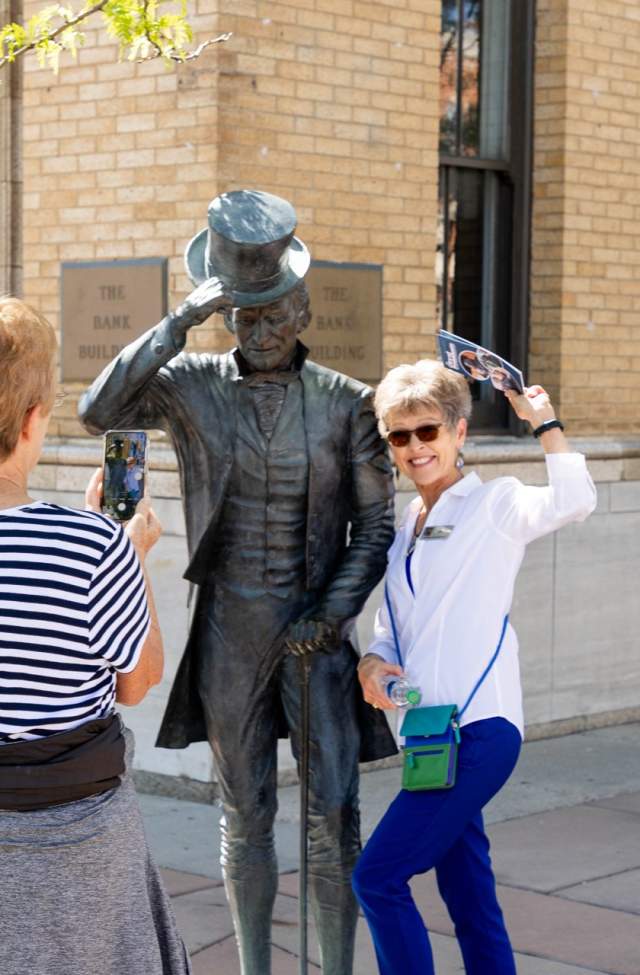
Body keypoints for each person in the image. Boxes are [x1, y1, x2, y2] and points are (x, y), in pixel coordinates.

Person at [78, 189, 397, 975]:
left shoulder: (347, 404)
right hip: (228, 626)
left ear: (304, 309)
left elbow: (376, 527)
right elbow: (98, 409)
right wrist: (178, 321)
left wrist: (329, 615)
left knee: (332, 815)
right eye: (241, 316)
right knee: (244, 812)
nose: (256, 331)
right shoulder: (191, 383)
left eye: (272, 314)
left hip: (314, 632)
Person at [352, 358, 597, 975]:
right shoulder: (406, 525)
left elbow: (575, 500)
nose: (415, 447)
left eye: (427, 431)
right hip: (430, 738)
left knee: (378, 878)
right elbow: (393, 626)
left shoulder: (495, 504)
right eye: (399, 436)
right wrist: (375, 663)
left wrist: (543, 421)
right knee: (469, 895)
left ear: (459, 432)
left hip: (479, 733)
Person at [0, 297, 190, 975]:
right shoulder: (91, 543)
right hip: (79, 843)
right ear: (31, 420)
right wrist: (123, 556)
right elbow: (136, 681)